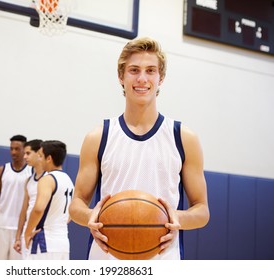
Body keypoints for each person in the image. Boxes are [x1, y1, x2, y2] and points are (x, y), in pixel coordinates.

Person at [69, 37, 210, 260]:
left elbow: (202, 211)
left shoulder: (183, 138)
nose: (142, 79)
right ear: (121, 77)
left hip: (163, 261)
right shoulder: (98, 137)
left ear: (160, 78)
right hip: (106, 259)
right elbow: (76, 204)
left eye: (150, 70)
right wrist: (90, 215)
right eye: (134, 70)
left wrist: (174, 218)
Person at [24, 140, 74, 260]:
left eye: (40, 156)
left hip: (45, 243)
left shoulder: (47, 179)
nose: (39, 159)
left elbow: (38, 209)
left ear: (49, 158)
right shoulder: (69, 180)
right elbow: (71, 213)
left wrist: (27, 232)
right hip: (63, 243)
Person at [0, 135, 32, 260]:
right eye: (11, 149)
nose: (13, 152)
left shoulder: (32, 172)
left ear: (24, 150)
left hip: (20, 228)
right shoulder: (2, 170)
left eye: (17, 149)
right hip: (0, 225)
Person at [13, 139, 46, 258]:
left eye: (28, 153)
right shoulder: (29, 180)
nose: (25, 156)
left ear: (39, 153)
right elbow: (24, 211)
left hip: (41, 234)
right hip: (27, 232)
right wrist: (18, 236)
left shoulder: (50, 179)